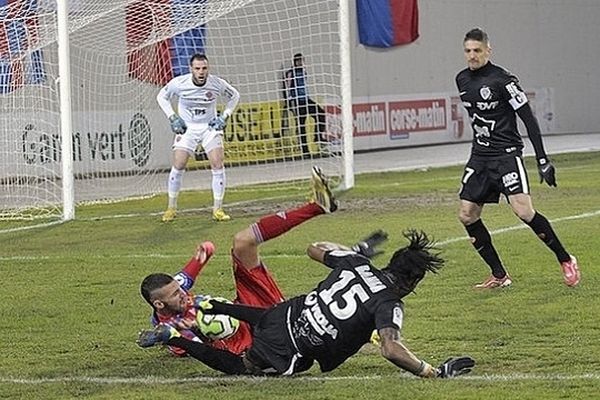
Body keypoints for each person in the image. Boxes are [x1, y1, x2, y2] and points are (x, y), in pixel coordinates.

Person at [138, 228, 475, 378]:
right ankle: (173, 337)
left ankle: (221, 308)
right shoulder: (389, 303)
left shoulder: (356, 264)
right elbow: (391, 349)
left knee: (271, 315)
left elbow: (314, 248)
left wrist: (354, 252)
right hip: (291, 351)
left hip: (285, 313)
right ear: (412, 281)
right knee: (240, 366)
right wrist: (429, 371)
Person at [138, 166, 338, 365]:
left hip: (246, 309)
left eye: (179, 288)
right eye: (174, 294)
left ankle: (317, 207)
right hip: (250, 343)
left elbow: (206, 250)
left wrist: (203, 254)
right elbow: (201, 350)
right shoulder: (174, 329)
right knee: (306, 321)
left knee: (243, 242)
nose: (182, 293)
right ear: (159, 304)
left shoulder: (175, 289)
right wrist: (197, 329)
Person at [455, 28, 580, 288]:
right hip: (479, 157)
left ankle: (565, 259)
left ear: (489, 50)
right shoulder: (462, 80)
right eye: (468, 50)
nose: (472, 55)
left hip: (506, 156)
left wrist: (543, 159)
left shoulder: (504, 80)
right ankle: (499, 275)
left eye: (477, 50)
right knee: (467, 214)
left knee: (523, 211)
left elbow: (528, 119)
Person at [157, 53, 240, 222]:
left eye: (204, 68)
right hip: (187, 128)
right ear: (191, 69)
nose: (201, 72)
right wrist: (172, 117)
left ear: (208, 68)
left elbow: (235, 96)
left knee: (217, 163)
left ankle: (218, 209)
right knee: (179, 164)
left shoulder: (216, 83)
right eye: (197, 69)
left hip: (209, 127)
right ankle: (171, 208)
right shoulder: (180, 83)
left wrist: (224, 116)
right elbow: (161, 96)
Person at [284, 53, 327, 158]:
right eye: (298, 61)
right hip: (298, 101)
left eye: (302, 61)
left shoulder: (303, 71)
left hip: (306, 99)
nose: (300, 63)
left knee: (320, 113)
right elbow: (287, 86)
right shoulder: (291, 73)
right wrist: (289, 100)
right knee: (301, 125)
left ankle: (318, 135)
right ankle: (305, 151)